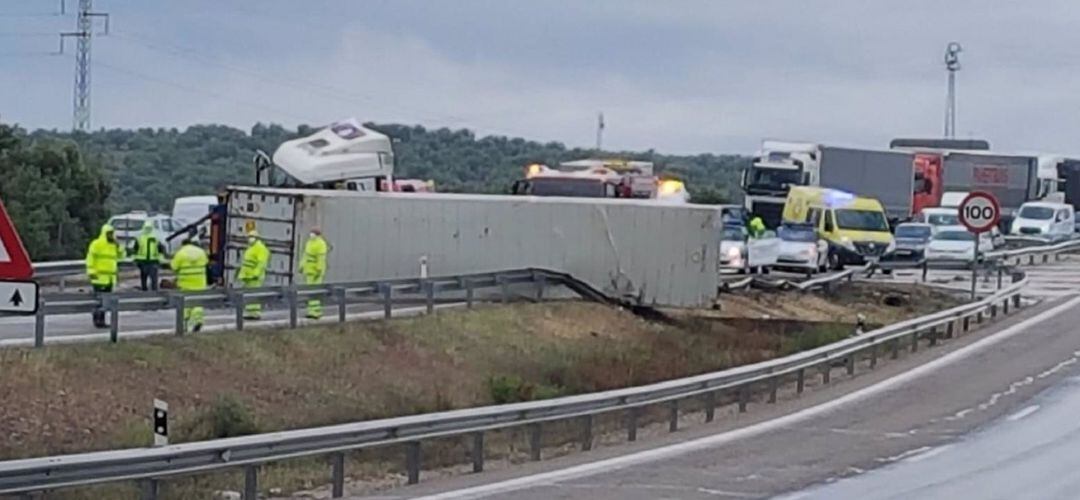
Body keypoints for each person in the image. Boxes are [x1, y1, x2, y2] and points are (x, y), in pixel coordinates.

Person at [85, 224, 125, 328]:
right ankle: (96, 320)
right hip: (99, 278)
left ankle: (102, 320)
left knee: (106, 302)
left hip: (109, 279)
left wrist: (118, 245)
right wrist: (91, 272)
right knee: (98, 301)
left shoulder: (113, 245)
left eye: (112, 233)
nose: (111, 235)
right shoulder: (97, 244)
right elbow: (90, 258)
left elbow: (122, 256)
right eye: (110, 234)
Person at [170, 236, 209, 332]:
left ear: (183, 244)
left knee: (185, 304)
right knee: (197, 303)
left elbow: (174, 266)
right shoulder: (201, 252)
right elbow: (206, 262)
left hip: (185, 282)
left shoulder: (181, 253)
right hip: (200, 282)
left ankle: (183, 324)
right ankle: (198, 321)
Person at [237, 229, 270, 320]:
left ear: (256, 238)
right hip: (248, 275)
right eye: (249, 237)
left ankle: (255, 313)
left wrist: (256, 273)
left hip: (255, 276)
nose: (250, 239)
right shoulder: (251, 248)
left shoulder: (260, 248)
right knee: (249, 294)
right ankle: (250, 312)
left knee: (254, 294)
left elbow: (261, 263)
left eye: (252, 237)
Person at [300, 227, 329, 319]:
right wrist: (301, 266)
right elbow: (305, 256)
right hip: (309, 270)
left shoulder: (321, 244)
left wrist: (319, 270)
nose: (311, 235)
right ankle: (311, 311)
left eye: (313, 233)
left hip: (316, 271)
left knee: (315, 292)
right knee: (310, 291)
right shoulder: (309, 243)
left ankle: (316, 311)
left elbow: (321, 258)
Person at [129, 220, 166, 291]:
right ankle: (153, 294)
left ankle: (146, 292)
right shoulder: (156, 238)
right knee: (152, 280)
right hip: (151, 261)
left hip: (144, 261)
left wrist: (134, 259)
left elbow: (135, 250)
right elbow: (160, 249)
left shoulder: (140, 238)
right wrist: (161, 259)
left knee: (145, 279)